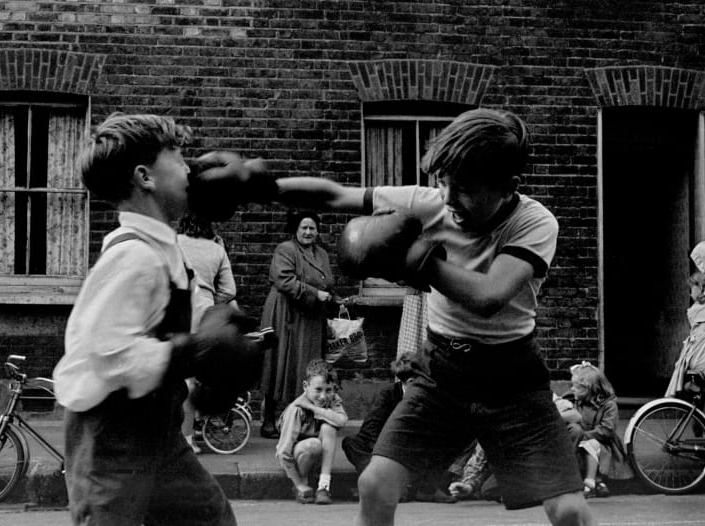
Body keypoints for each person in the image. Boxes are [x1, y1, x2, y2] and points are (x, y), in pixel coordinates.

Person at [188, 107, 597, 525]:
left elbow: (489, 295)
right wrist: (262, 186)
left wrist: (410, 260)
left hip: (512, 378)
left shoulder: (534, 222)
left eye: (467, 189)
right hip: (443, 373)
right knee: (375, 483)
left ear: (509, 185)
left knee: (568, 511)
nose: (450, 198)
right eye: (444, 181)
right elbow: (333, 195)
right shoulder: (431, 203)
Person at [52, 112, 263, 526]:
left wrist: (220, 355)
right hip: (110, 440)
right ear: (145, 177)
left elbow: (173, 324)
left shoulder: (166, 248)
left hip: (160, 436)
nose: (190, 167)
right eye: (179, 156)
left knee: (211, 519)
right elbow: (102, 348)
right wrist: (191, 352)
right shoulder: (133, 256)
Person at [259, 210, 339, 438]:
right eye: (304, 227)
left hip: (311, 316)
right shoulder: (286, 250)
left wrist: (334, 298)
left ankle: (302, 419)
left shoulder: (321, 253)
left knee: (306, 366)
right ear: (296, 229)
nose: (308, 232)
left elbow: (327, 282)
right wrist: (316, 293)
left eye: (312, 228)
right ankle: (268, 420)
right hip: (285, 314)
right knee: (279, 364)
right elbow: (284, 280)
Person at [342, 354, 458, 503]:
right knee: (351, 443)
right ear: (410, 382)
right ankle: (383, 483)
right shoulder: (388, 394)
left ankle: (426, 489)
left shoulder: (430, 396)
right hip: (387, 448)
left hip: (416, 450)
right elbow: (370, 429)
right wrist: (388, 451)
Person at [177, 212, 239, 454]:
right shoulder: (216, 250)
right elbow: (230, 290)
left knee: (177, 375)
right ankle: (191, 434)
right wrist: (210, 298)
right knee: (194, 377)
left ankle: (183, 435)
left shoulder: (173, 242)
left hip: (177, 310)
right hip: (204, 312)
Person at [275, 359, 348, 505]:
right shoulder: (296, 410)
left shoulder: (331, 400)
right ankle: (302, 482)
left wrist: (314, 409)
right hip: (299, 457)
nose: (323, 396)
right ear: (305, 386)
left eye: (328, 390)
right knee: (313, 445)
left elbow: (341, 420)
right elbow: (282, 451)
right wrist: (298, 483)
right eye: (318, 390)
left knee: (329, 428)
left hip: (319, 456)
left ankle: (323, 486)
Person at [568, 362, 633, 499]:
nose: (572, 389)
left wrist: (584, 435)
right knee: (580, 444)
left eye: (576, 387)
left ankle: (590, 483)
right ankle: (597, 482)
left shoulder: (609, 405)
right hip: (584, 440)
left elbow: (607, 430)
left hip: (605, 444)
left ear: (589, 389)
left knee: (591, 445)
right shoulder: (577, 401)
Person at [665, 239, 705, 398]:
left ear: (701, 288)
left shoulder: (699, 309)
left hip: (697, 360)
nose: (690, 293)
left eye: (692, 288)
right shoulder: (701, 308)